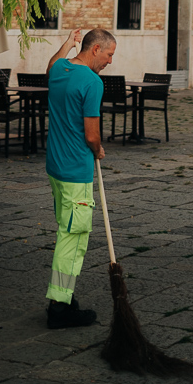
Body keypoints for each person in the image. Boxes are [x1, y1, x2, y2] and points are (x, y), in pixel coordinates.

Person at [44, 26, 117, 329]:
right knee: (72, 240)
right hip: (76, 170)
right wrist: (98, 149)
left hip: (56, 168)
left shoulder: (61, 69)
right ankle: (60, 306)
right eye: (110, 54)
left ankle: (63, 297)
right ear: (96, 49)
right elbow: (91, 133)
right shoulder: (92, 81)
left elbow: (50, 65)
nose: (111, 61)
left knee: (66, 229)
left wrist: (67, 44)